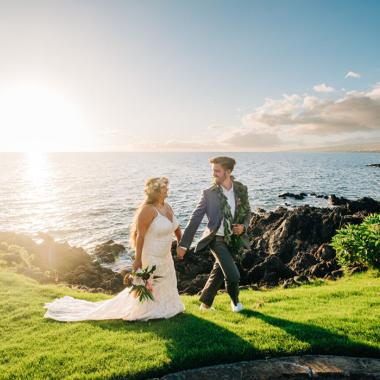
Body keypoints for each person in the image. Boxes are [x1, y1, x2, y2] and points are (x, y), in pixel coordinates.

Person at [44, 177, 185, 322]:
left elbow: (176, 228)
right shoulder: (147, 211)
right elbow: (140, 237)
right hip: (151, 256)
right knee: (151, 285)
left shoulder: (168, 207)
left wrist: (181, 243)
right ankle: (149, 309)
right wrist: (138, 260)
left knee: (166, 283)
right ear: (156, 191)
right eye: (164, 187)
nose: (167, 189)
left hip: (166, 256)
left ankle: (168, 307)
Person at [177, 156, 251, 312]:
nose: (214, 174)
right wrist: (184, 244)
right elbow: (195, 218)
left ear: (228, 171)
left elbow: (247, 213)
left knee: (218, 271)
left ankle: (205, 305)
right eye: (213, 171)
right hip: (216, 239)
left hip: (234, 240)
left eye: (217, 171)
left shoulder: (241, 189)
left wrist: (243, 227)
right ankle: (236, 303)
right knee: (233, 275)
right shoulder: (208, 193)